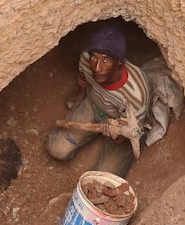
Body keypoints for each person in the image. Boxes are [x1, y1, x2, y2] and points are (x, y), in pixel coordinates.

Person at [46, 25, 152, 178]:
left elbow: (125, 133)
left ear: (119, 62)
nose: (97, 67)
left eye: (106, 60)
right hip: (94, 105)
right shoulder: (85, 59)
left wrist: (116, 133)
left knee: (100, 181)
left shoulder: (137, 94)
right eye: (94, 57)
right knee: (57, 149)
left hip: (123, 125)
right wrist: (78, 103)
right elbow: (84, 81)